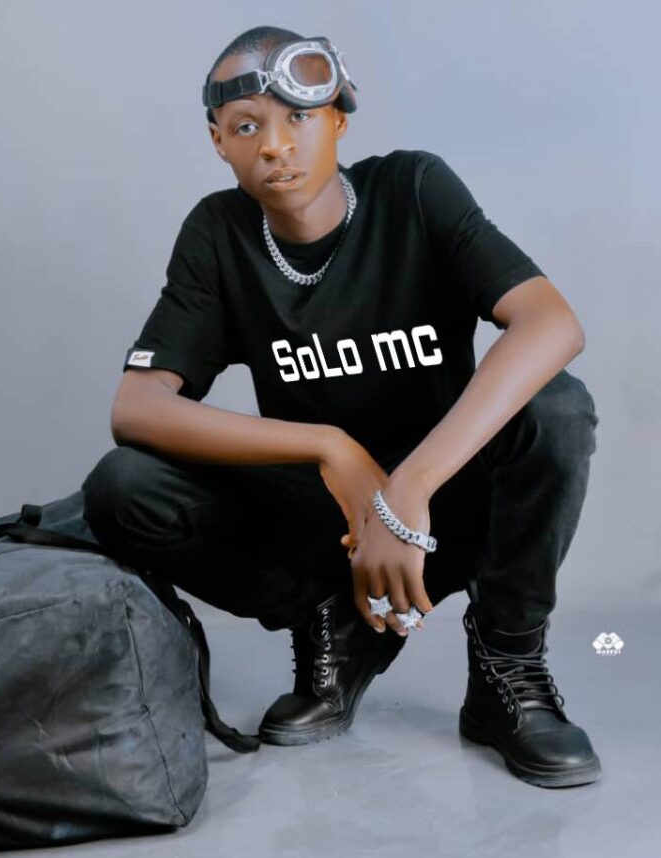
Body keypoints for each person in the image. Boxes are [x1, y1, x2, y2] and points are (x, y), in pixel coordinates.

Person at [81, 25, 602, 788]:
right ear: (219, 142)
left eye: (299, 118)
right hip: (326, 518)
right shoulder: (218, 234)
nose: (274, 145)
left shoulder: (412, 190)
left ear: (338, 121)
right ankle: (333, 621)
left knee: (557, 410)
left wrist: (409, 487)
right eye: (247, 127)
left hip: (442, 507)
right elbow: (137, 408)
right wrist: (330, 446)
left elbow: (551, 324)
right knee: (123, 487)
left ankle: (507, 666)